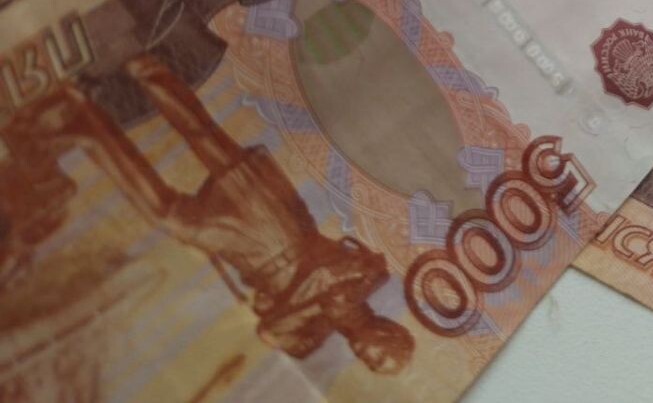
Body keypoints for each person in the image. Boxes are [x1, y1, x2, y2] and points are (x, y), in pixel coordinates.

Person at [34, 54, 413, 374]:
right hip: (278, 227)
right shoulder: (371, 275)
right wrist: (304, 300)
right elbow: (320, 269)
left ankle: (85, 123)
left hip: (249, 258)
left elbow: (270, 331)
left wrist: (312, 304)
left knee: (168, 216)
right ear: (387, 334)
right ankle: (148, 68)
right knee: (206, 139)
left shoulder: (310, 340)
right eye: (379, 355)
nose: (367, 359)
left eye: (371, 365)